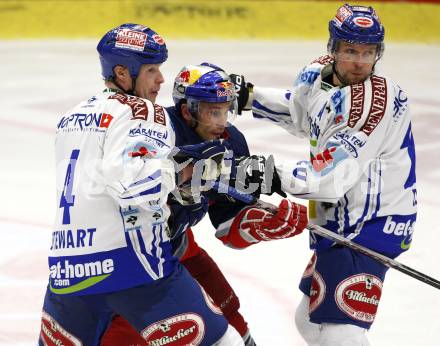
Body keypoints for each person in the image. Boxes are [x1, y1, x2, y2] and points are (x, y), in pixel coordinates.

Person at [38, 23, 246, 345]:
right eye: (151, 70)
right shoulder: (143, 111)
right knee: (226, 342)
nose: (161, 80)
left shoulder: (71, 117)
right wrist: (187, 166)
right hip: (133, 268)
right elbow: (131, 186)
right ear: (123, 73)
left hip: (67, 270)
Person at [231, 3, 417, 345]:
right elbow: (304, 117)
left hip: (370, 224)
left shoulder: (371, 105)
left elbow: (329, 181)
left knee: (339, 334)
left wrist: (265, 173)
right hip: (342, 217)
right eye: (350, 51)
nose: (360, 61)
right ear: (331, 49)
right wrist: (249, 98)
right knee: (309, 320)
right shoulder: (316, 75)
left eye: (369, 52)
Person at [101, 63, 309, 345]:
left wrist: (264, 225)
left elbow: (227, 228)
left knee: (228, 309)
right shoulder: (155, 133)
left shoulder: (231, 142)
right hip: (133, 257)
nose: (222, 121)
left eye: (226, 109)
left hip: (179, 247)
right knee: (129, 330)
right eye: (214, 111)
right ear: (188, 110)